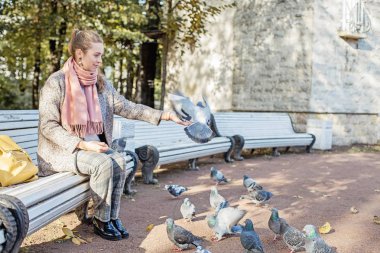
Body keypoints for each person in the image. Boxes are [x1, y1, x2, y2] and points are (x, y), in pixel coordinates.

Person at [37, 29, 188, 241]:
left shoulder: (100, 83)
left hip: (91, 150)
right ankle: (101, 218)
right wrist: (82, 144)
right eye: (96, 55)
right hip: (62, 152)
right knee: (103, 163)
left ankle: (111, 217)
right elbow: (48, 126)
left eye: (101, 55)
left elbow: (128, 107)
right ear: (80, 54)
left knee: (118, 158)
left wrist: (165, 115)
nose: (100, 60)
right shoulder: (57, 82)